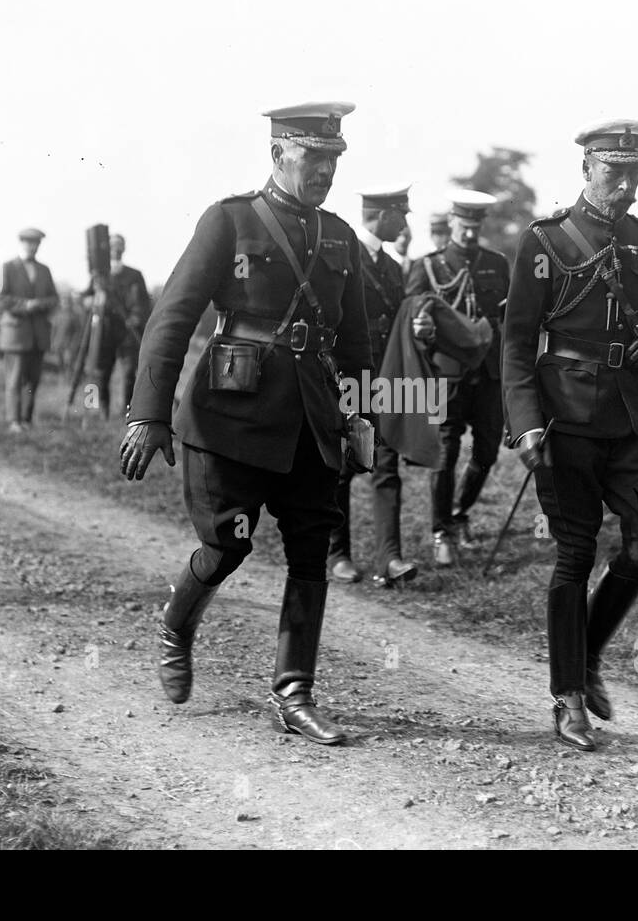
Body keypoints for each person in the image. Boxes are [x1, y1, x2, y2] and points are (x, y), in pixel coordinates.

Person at [119, 101, 373, 746]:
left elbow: (356, 342)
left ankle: (294, 692)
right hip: (230, 416)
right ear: (277, 154)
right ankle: (176, 626)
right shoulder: (228, 220)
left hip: (312, 422)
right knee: (228, 545)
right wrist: (148, 414)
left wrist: (362, 411)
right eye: (312, 157)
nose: (324, 171)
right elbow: (172, 317)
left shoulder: (340, 236)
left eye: (333, 159)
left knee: (312, 547)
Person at [503, 119, 638, 752]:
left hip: (635, 418)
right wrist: (526, 422)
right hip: (568, 421)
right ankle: (568, 698)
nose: (627, 185)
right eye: (615, 172)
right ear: (587, 169)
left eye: (636, 172)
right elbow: (515, 346)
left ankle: (584, 654)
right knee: (575, 555)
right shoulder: (545, 241)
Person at [405, 190, 509, 566]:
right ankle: (440, 531)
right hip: (447, 374)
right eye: (464, 227)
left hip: (489, 373)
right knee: (446, 451)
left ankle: (460, 514)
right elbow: (411, 319)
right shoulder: (429, 266)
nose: (469, 235)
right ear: (451, 223)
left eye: (475, 227)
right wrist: (422, 328)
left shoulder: (496, 265)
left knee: (487, 451)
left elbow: (509, 319)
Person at [327, 185, 419, 588]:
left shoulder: (391, 265)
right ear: (382, 216)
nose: (405, 223)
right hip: (351, 375)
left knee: (387, 465)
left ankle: (390, 558)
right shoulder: (346, 254)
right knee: (345, 465)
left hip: (385, 375)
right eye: (401, 214)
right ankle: (338, 554)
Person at [82, 233, 152, 419]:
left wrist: (136, 317)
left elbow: (144, 303)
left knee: (129, 373)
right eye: (112, 246)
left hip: (128, 332)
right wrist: (93, 301)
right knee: (102, 373)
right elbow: (86, 298)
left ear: (124, 249)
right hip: (104, 332)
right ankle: (103, 411)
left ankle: (127, 412)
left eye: (119, 246)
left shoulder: (135, 275)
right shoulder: (99, 276)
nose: (116, 250)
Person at [0, 228, 58, 433]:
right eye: (28, 243)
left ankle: (27, 420)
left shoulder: (44, 270)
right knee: (14, 379)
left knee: (33, 380)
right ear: (21, 243)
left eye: (36, 243)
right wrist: (25, 305)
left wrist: (39, 304)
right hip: (15, 333)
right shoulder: (8, 267)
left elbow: (54, 298)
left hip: (38, 334)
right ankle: (14, 421)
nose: (32, 247)